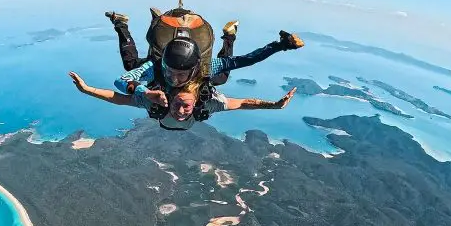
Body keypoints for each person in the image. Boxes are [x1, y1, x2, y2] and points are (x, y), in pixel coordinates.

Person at [105, 9, 305, 96]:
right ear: (164, 62)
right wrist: (279, 46)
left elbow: (247, 60)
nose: (174, 79)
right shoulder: (156, 66)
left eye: (180, 74)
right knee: (222, 76)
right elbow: (247, 60)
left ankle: (122, 24)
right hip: (174, 61)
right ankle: (229, 34)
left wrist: (280, 46)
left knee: (131, 65)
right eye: (171, 72)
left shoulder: (204, 67)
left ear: (193, 69)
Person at [68, 71, 297, 130]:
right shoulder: (159, 102)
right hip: (159, 92)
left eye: (185, 105)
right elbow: (118, 98)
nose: (179, 110)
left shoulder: (208, 104)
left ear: (195, 102)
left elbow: (245, 103)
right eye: (178, 104)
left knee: (220, 77)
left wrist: (274, 106)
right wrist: (86, 89)